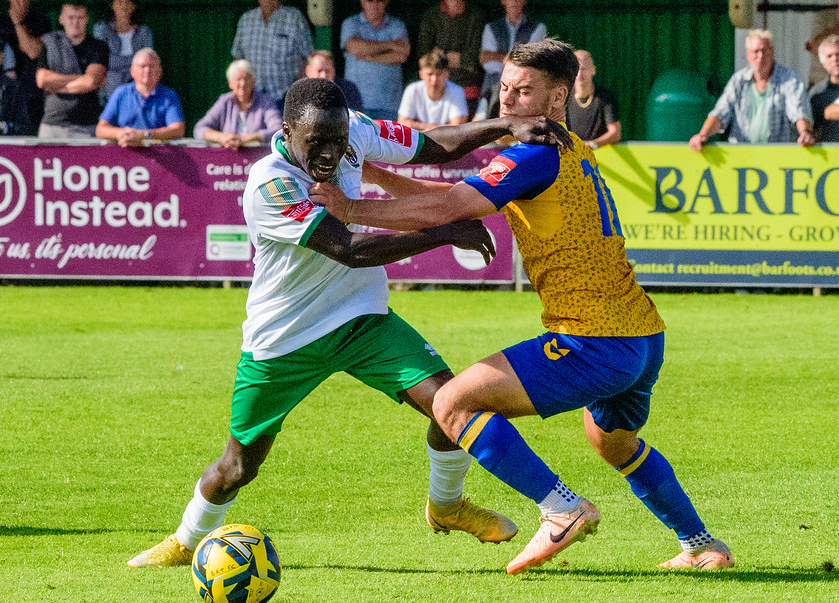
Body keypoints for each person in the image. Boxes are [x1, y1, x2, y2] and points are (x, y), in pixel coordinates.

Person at [310, 39, 735, 574]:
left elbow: (446, 207)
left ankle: (561, 509)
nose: (507, 101)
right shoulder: (573, 148)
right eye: (504, 88)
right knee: (613, 442)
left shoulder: (533, 154)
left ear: (558, 98)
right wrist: (372, 173)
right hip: (642, 335)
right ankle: (702, 545)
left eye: (523, 91)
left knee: (454, 403)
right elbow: (445, 198)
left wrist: (350, 208)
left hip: (594, 339)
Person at [127, 77, 576, 570]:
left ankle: (446, 506)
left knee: (452, 404)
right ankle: (184, 542)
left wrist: (505, 125)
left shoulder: (356, 129)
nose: (329, 154)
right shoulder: (270, 183)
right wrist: (442, 231)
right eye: (316, 142)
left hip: (362, 319)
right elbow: (348, 249)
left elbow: (434, 145)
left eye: (337, 142)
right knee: (238, 466)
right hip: (286, 338)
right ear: (287, 132)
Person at [689, 30, 813, 152]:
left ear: (772, 51)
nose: (760, 56)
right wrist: (703, 135)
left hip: (777, 156)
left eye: (764, 50)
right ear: (748, 55)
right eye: (756, 52)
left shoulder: (789, 79)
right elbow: (720, 113)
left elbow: (798, 112)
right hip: (742, 156)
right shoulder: (738, 80)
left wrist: (804, 133)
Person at [35, 3, 109, 138]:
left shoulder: (98, 47)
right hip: (52, 125)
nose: (75, 22)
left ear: (87, 19)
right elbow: (42, 80)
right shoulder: (50, 43)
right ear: (61, 19)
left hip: (86, 127)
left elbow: (91, 81)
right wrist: (81, 79)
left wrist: (57, 87)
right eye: (71, 18)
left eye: (80, 18)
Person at [231, 0, 313, 112]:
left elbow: (308, 57)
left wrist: (296, 90)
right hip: (253, 99)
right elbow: (237, 57)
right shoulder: (246, 20)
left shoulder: (294, 18)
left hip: (285, 98)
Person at [95, 48, 184, 146]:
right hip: (124, 152)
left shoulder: (168, 96)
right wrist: (120, 133)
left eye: (152, 66)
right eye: (143, 66)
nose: (147, 70)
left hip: (158, 152)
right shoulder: (121, 93)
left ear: (159, 71)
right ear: (132, 71)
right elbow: (101, 129)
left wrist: (145, 135)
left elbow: (178, 130)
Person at [340, 0, 409, 121]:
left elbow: (401, 55)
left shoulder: (397, 25)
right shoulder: (351, 23)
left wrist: (368, 56)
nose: (375, 4)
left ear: (386, 2)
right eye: (371, 0)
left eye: (380, 0)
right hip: (356, 104)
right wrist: (391, 44)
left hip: (389, 105)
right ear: (362, 1)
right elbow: (355, 48)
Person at [0, 0, 50, 133]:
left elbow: (33, 51)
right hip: (4, 92)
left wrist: (17, 23)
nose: (19, 2)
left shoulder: (40, 21)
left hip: (33, 94)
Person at [477, 0, 545, 119]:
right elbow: (486, 60)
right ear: (503, 1)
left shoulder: (538, 28)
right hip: (492, 85)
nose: (514, 1)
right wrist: (513, 61)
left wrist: (497, 57)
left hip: (522, 87)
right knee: (480, 117)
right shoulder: (491, 28)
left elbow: (530, 61)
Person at [193, 59, 282, 149]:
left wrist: (247, 138)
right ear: (230, 83)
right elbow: (199, 129)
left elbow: (277, 130)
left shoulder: (266, 102)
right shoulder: (224, 101)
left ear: (253, 81)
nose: (243, 84)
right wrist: (221, 137)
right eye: (238, 79)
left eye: (247, 78)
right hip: (228, 155)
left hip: (258, 154)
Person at [418, 0, 485, 117]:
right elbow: (424, 56)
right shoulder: (431, 15)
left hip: (468, 85)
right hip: (437, 83)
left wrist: (441, 58)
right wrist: (451, 60)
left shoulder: (477, 15)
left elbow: (477, 58)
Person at [92, 0, 154, 101]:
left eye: (128, 2)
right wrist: (132, 62)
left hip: (137, 83)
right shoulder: (102, 29)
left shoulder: (144, 32)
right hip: (110, 85)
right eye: (120, 2)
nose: (124, 6)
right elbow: (101, 60)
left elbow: (148, 61)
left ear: (133, 6)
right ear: (112, 5)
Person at [398, 49, 470, 131]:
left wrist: (426, 129)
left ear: (447, 74)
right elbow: (402, 123)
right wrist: (430, 128)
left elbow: (458, 127)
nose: (434, 80)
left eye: (439, 74)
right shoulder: (412, 90)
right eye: (430, 74)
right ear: (421, 74)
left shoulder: (457, 91)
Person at [565, 50, 621, 150]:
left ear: (593, 70)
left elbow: (615, 133)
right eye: (576, 69)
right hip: (571, 154)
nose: (579, 74)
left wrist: (592, 145)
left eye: (584, 69)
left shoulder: (605, 96)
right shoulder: (564, 96)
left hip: (600, 154)